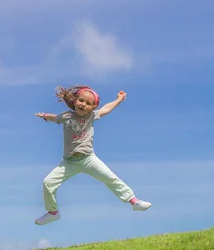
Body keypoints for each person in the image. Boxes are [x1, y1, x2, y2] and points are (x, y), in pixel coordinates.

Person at [34, 85, 151, 225]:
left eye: (88, 103)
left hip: (88, 159)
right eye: (81, 100)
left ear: (92, 107)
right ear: (75, 100)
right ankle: (52, 212)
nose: (83, 104)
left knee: (110, 178)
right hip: (68, 163)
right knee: (48, 183)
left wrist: (118, 100)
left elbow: (106, 109)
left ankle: (134, 201)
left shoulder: (91, 116)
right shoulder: (66, 116)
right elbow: (55, 118)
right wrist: (45, 116)